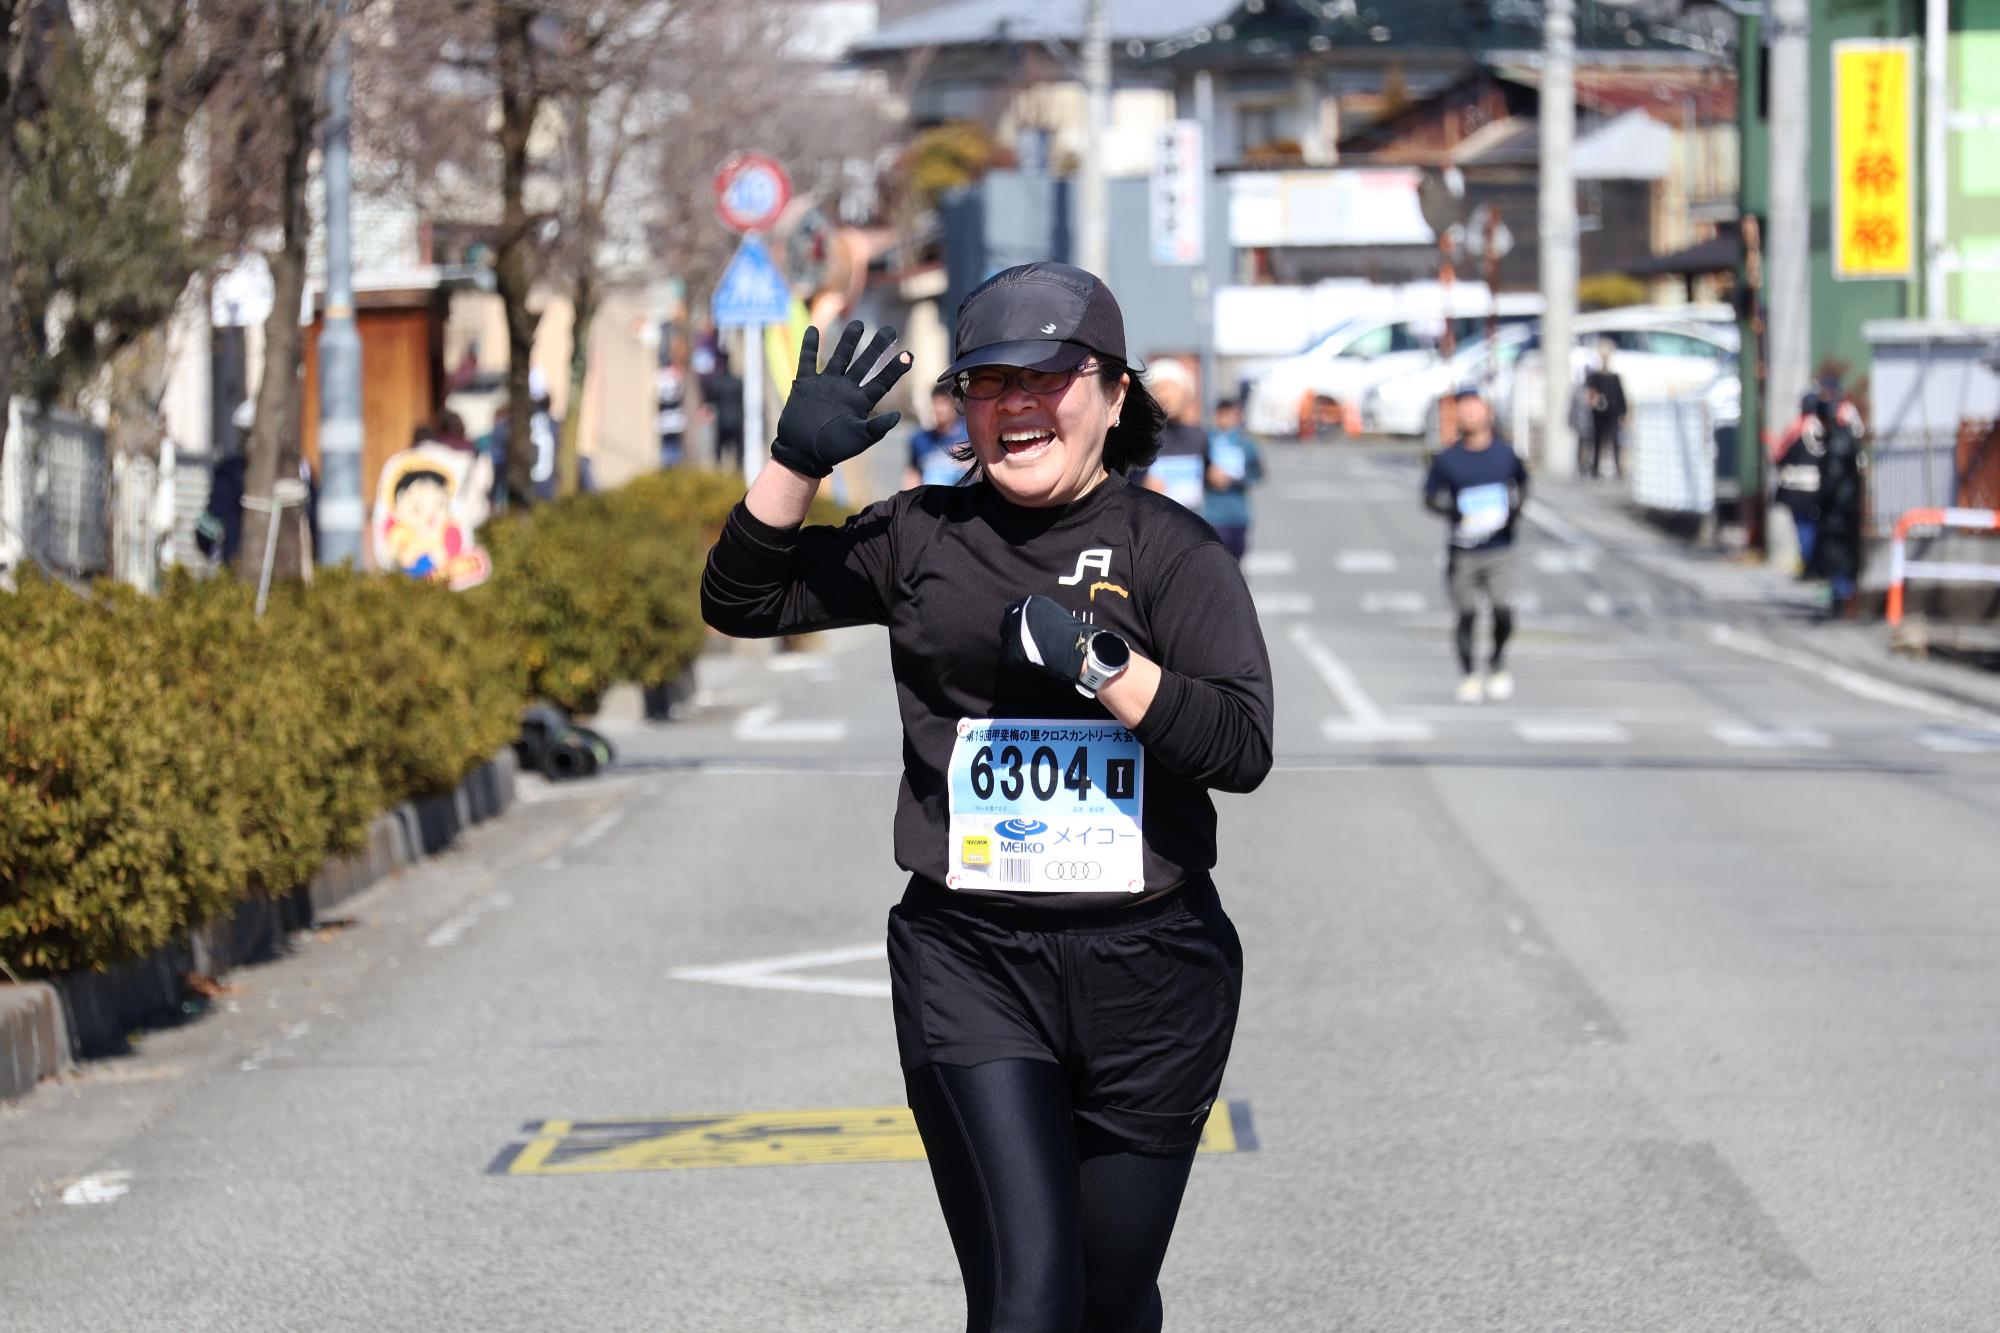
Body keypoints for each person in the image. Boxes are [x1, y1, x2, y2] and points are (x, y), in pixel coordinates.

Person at [701, 261, 1272, 1333]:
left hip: (1151, 970)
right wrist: (791, 466)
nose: (1015, 406)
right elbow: (740, 599)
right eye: (987, 382)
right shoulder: (922, 536)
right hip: (971, 957)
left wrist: (1104, 664)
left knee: (1107, 1295)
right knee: (1026, 1298)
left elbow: (1239, 746)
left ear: (1110, 392)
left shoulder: (1173, 553)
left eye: (1046, 378)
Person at [1423, 386, 1528, 704]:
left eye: (1474, 407)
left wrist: (1511, 515)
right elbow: (1429, 497)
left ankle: (1496, 662)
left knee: (1502, 608)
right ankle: (1469, 674)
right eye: (1463, 408)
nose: (1469, 413)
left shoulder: (1505, 454)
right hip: (1463, 550)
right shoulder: (1447, 459)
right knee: (1466, 612)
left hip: (1499, 547)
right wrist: (1454, 511)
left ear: (1487, 411)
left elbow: (1523, 485)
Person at [1135, 361, 1208, 512]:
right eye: (1160, 388)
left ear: (1186, 394)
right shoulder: (1140, 438)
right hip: (1154, 521)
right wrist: (1142, 485)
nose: (1167, 395)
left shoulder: (1199, 436)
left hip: (1195, 522)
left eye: (1173, 388)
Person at [1202, 396, 1263, 560]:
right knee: (1217, 563)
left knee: (1237, 561)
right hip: (1212, 515)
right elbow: (1195, 471)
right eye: (1222, 414)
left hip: (1238, 514)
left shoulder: (1245, 444)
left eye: (1230, 415)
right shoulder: (1206, 441)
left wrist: (1234, 480)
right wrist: (1208, 476)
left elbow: (1257, 474)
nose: (1226, 419)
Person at [904, 383, 972, 488]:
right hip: (929, 501)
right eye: (935, 403)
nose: (938, 409)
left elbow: (983, 474)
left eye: (943, 403)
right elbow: (913, 475)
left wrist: (966, 461)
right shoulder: (919, 439)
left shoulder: (970, 438)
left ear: (955, 405)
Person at [1581, 338, 1628, 480]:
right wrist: (1593, 400)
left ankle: (1618, 469)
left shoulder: (1615, 377)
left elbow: (1620, 396)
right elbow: (1589, 393)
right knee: (1597, 441)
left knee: (1614, 440)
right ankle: (1594, 468)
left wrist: (1624, 413)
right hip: (1598, 414)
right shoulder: (1594, 377)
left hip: (1613, 414)